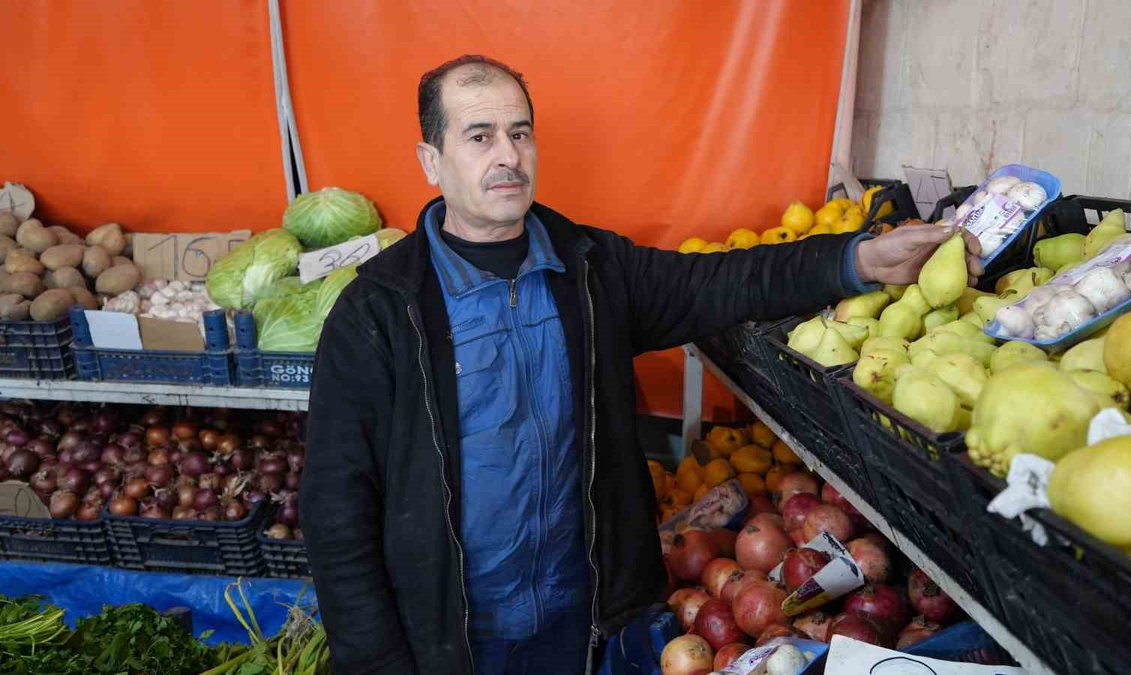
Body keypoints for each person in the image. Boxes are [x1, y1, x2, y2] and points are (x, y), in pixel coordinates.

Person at [300, 54, 982, 675]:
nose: (508, 154)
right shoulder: (380, 311)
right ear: (431, 159)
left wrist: (856, 260)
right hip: (447, 637)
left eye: (521, 132)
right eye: (479, 136)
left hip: (584, 628)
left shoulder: (590, 268)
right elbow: (337, 512)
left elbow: (720, 282)